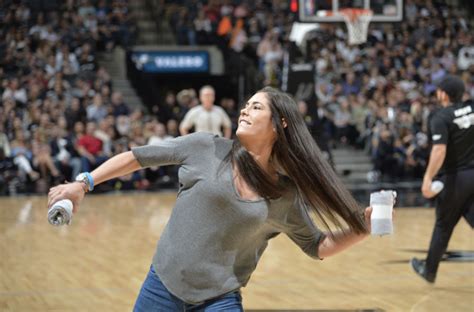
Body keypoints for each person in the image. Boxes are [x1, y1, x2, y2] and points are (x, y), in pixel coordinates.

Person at [48, 87, 374, 310]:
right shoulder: (204, 146)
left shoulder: (286, 194)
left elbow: (316, 246)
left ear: (280, 123)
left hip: (220, 300)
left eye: (256, 106)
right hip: (164, 286)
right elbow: (137, 157)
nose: (245, 109)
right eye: (246, 105)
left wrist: (362, 229)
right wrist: (84, 183)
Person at [411, 75, 474, 283]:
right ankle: (428, 269)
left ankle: (429, 271)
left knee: (443, 226)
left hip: (455, 179)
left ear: (443, 94)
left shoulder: (440, 117)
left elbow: (439, 151)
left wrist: (427, 178)